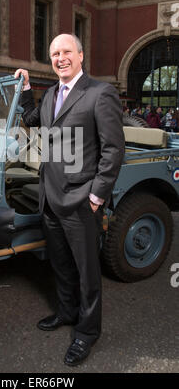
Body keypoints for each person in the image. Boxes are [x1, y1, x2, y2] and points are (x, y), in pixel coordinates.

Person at [14, 33, 125, 366]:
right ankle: (66, 312)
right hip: (50, 199)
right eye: (53, 54)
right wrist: (25, 89)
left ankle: (87, 333)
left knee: (87, 272)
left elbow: (113, 150)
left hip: (80, 201)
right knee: (61, 265)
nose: (59, 58)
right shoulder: (50, 95)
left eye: (65, 52)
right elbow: (31, 122)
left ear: (80, 55)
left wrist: (96, 196)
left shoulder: (100, 93)